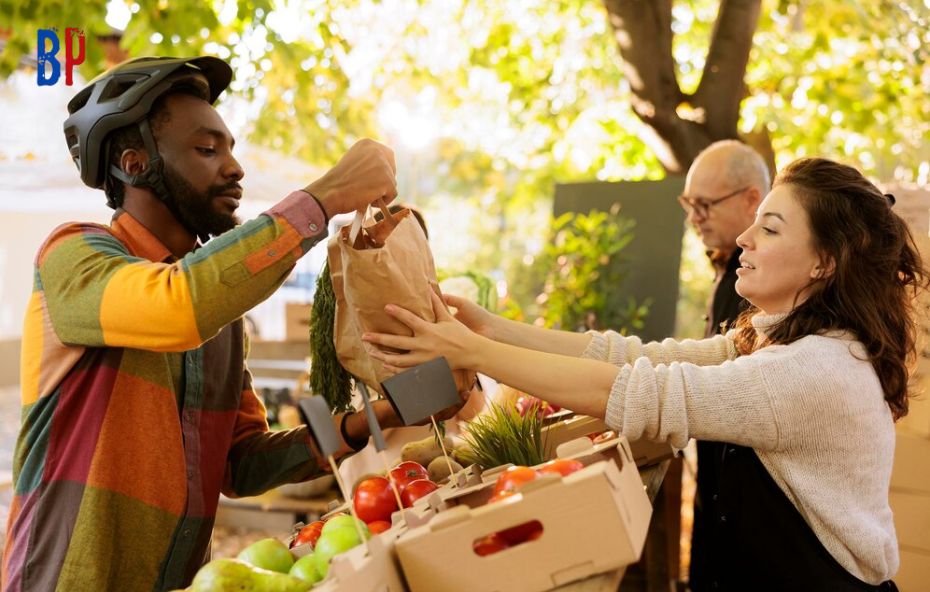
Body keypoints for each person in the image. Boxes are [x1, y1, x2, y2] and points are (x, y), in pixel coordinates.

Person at [0, 56, 462, 592]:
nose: (234, 167)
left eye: (231, 148)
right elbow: (176, 307)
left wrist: (382, 413)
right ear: (134, 163)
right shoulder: (74, 256)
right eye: (207, 149)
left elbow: (241, 463)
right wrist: (326, 196)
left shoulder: (220, 315)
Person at [364, 157, 922, 590]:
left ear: (825, 261)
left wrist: (472, 353)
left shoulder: (815, 370)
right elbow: (635, 359)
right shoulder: (779, 342)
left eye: (770, 229)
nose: (745, 241)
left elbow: (632, 392)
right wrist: (491, 331)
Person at [679, 140, 770, 591]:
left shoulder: (756, 285)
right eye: (689, 204)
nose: (694, 217)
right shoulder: (731, 273)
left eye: (705, 205)